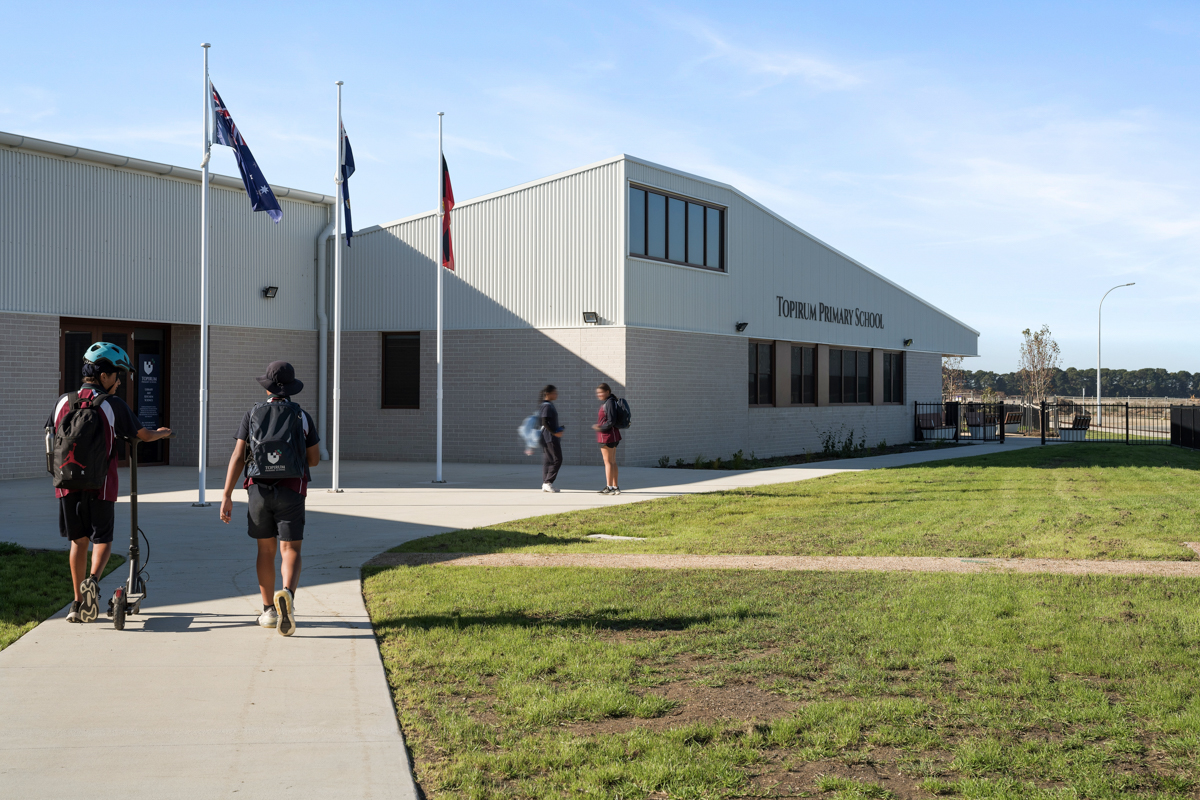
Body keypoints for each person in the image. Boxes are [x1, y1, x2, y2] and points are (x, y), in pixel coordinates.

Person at [47, 343, 172, 623]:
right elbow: (142, 434)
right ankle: (92, 580)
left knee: (77, 542)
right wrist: (162, 433)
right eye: (118, 375)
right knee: (103, 539)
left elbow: (51, 435)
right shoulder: (112, 404)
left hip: (66, 483)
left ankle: (77, 604)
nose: (119, 382)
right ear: (103, 375)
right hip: (101, 483)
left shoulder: (62, 401)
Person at [219, 361, 320, 636]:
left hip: (258, 492)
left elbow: (238, 457)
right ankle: (287, 594)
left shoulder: (252, 414)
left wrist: (227, 495)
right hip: (292, 490)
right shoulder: (302, 417)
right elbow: (314, 459)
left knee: (265, 551)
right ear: (291, 389)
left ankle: (267, 611)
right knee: (291, 550)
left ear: (268, 388)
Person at [592, 382, 621, 495]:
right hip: (613, 435)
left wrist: (599, 428)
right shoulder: (611, 401)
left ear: (607, 392)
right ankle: (615, 487)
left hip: (607, 436)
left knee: (608, 462)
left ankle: (609, 487)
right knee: (612, 461)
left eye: (601, 392)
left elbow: (610, 421)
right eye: (598, 393)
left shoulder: (609, 403)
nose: (599, 394)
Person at [538, 385, 564, 492]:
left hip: (548, 437)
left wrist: (558, 429)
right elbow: (544, 422)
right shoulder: (547, 406)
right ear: (548, 394)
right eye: (554, 392)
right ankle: (548, 482)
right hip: (549, 437)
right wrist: (554, 433)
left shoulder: (547, 405)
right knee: (557, 459)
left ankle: (546, 484)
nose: (556, 394)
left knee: (548, 460)